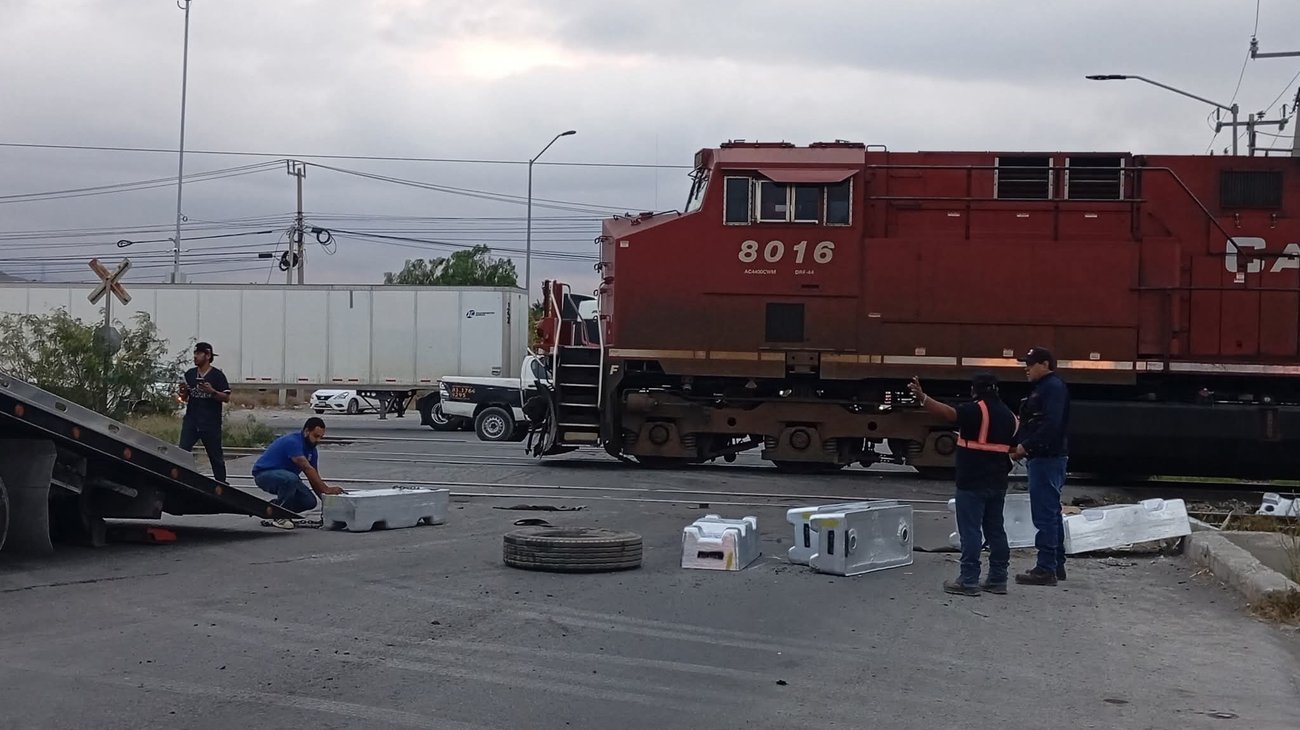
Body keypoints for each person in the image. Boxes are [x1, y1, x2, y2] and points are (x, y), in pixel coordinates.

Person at [910, 373, 1019, 597]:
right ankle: (998, 579)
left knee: (970, 531)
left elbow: (949, 414)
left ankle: (968, 580)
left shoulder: (975, 409)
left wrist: (923, 398)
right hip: (998, 482)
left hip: (972, 481)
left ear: (975, 390)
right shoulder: (1010, 417)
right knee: (996, 530)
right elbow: (1014, 450)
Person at [1012, 346, 1072, 586]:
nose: (1026, 368)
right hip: (1048, 456)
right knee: (1052, 512)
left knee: (1045, 514)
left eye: (1031, 363)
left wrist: (1025, 447)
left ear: (1045, 364)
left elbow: (1050, 424)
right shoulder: (1046, 388)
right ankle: (1056, 564)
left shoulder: (1052, 388)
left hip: (1047, 458)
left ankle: (1045, 568)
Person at [252, 417, 346, 529]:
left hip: (288, 478)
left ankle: (273, 508)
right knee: (291, 478)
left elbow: (313, 477)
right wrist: (327, 489)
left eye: (321, 437)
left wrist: (329, 502)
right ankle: (281, 516)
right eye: (316, 436)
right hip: (264, 475)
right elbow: (306, 468)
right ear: (306, 431)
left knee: (309, 501)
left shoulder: (312, 451)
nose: (318, 440)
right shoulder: (293, 442)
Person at [178, 341, 231, 484]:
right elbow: (185, 398)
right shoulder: (189, 374)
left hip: (210, 422)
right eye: (194, 353)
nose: (195, 357)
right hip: (191, 420)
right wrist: (182, 393)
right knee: (182, 451)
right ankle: (182, 479)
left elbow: (226, 397)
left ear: (207, 355)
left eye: (199, 353)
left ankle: (221, 484)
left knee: (215, 456)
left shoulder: (217, 376)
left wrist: (212, 391)